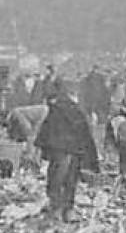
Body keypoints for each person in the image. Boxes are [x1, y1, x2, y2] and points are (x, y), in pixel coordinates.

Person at [35, 89, 99, 222]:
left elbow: (46, 133)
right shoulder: (77, 111)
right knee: (71, 181)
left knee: (56, 180)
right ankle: (68, 210)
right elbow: (86, 135)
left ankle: (56, 209)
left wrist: (43, 152)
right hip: (75, 151)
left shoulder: (54, 111)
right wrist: (91, 161)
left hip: (59, 152)